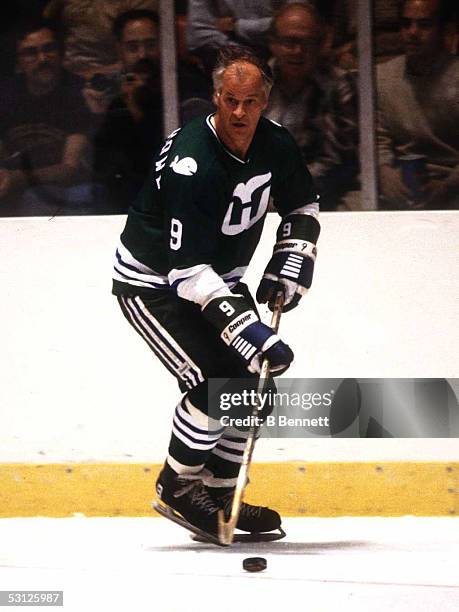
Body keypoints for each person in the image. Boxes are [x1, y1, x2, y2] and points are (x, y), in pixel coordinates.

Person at [112, 48, 320, 541]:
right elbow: (185, 274)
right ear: (216, 99)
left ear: (264, 101)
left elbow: (303, 206)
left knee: (255, 384)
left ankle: (222, 493)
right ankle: (178, 487)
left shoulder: (276, 144)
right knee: (213, 387)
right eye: (231, 101)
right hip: (153, 284)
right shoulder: (193, 161)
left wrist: (292, 259)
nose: (241, 113)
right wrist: (243, 325)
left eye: (251, 102)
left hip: (218, 280)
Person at [92, 9, 213, 212]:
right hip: (126, 194)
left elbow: (186, 155)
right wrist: (95, 115)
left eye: (150, 45)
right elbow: (103, 165)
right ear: (119, 50)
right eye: (133, 47)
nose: (142, 54)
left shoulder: (189, 84)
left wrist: (139, 112)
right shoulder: (115, 91)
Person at [265, 2, 359, 210]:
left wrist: (285, 193)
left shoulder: (338, 85)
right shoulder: (255, 85)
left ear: (321, 45)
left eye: (307, 43)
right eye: (289, 42)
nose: (297, 51)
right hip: (258, 193)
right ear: (273, 43)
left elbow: (338, 162)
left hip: (320, 194)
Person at [0, 20, 92, 216]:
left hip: (65, 190)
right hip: (14, 187)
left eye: (49, 49)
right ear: (18, 62)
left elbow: (71, 169)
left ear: (61, 53)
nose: (42, 59)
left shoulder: (80, 93)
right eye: (31, 52)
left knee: (35, 198)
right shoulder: (5, 96)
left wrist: (17, 178)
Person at [377, 0, 459, 209]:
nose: (412, 32)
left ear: (445, 31)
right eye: (406, 24)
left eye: (424, 25)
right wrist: (384, 170)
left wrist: (446, 187)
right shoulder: (383, 76)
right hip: (402, 183)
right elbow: (378, 138)